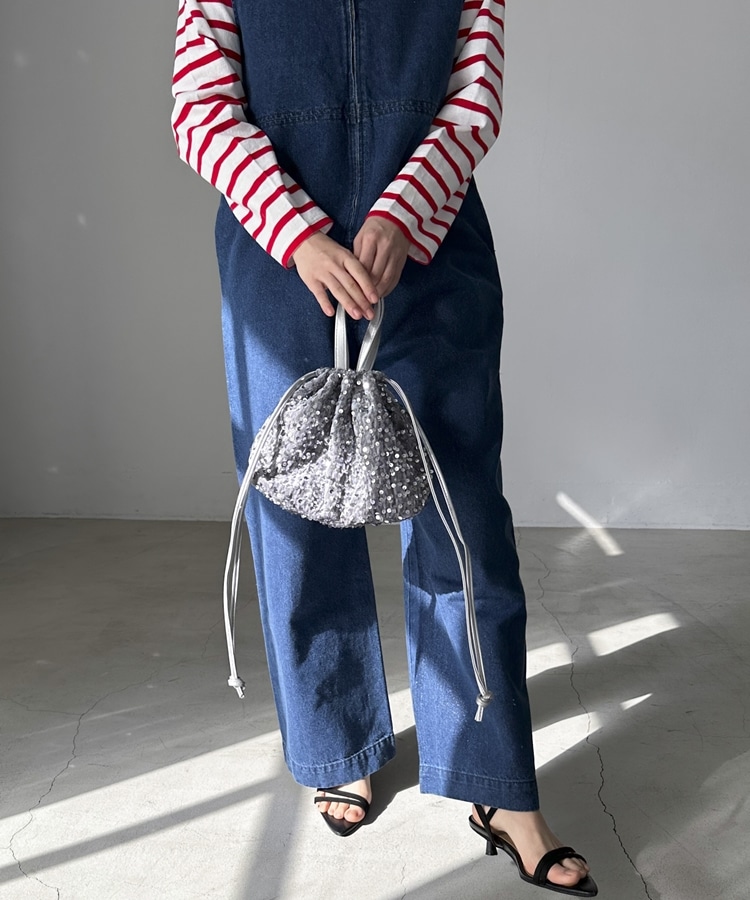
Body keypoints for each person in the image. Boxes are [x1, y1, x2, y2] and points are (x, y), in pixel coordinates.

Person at [170, 1, 597, 894]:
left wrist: (402, 217)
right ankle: (338, 746)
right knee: (297, 519)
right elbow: (201, 107)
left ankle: (497, 784)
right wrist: (299, 236)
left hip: (431, 250)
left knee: (462, 521)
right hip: (279, 260)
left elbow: (473, 98)